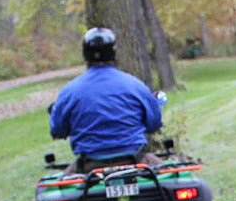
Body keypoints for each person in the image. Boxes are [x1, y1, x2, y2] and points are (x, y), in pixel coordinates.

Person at [49, 27, 163, 173]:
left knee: (62, 189)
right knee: (169, 178)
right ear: (113, 52)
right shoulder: (135, 85)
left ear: (85, 53)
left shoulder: (70, 91)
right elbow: (154, 123)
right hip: (135, 161)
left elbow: (58, 129)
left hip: (89, 166)